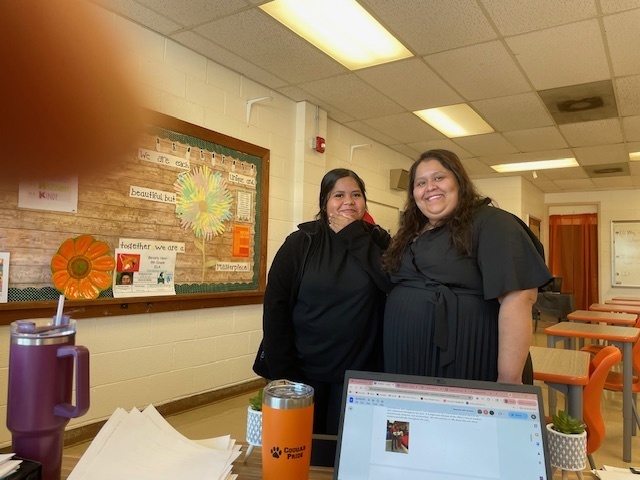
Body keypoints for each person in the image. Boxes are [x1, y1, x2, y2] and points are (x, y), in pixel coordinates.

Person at [382, 150, 551, 385]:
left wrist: (508, 379)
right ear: (414, 194)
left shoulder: (492, 222)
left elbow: (519, 297)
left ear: (459, 182)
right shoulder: (412, 231)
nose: (430, 187)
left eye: (439, 178)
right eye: (421, 182)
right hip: (407, 358)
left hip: (467, 356)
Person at [260, 168, 392, 434]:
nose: (349, 201)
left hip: (361, 372)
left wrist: (353, 235)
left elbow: (390, 282)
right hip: (305, 370)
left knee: (351, 445)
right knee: (307, 445)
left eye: (356, 194)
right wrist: (283, 371)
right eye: (339, 195)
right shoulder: (300, 243)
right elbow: (276, 306)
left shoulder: (379, 240)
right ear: (325, 202)